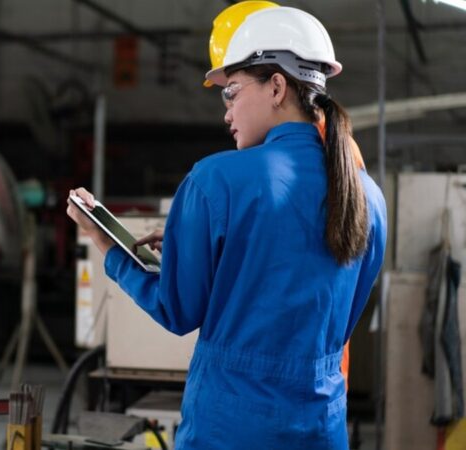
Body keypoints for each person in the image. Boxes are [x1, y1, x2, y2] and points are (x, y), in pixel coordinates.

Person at [66, 3, 387, 449]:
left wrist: (108, 246)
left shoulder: (215, 179)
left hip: (230, 426)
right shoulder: (367, 195)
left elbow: (177, 311)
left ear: (276, 86)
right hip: (321, 426)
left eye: (231, 92)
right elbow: (340, 314)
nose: (226, 112)